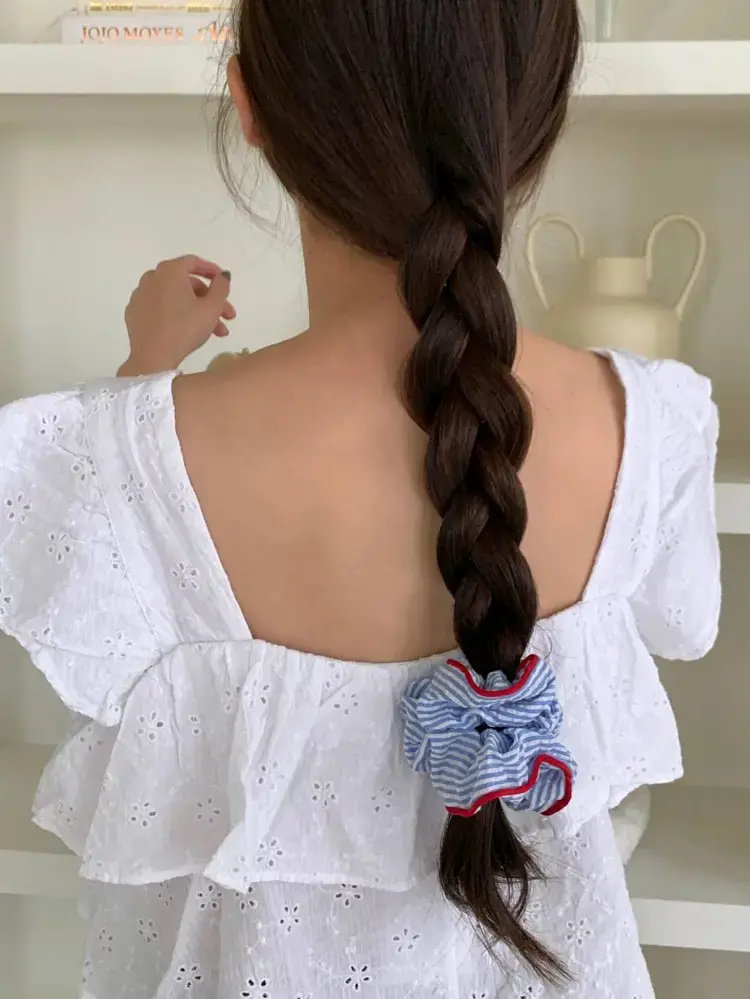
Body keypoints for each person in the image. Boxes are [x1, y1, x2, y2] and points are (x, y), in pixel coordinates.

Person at [0, 2, 720, 997]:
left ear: (249, 103)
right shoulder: (653, 423)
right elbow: (682, 623)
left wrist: (144, 378)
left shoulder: (97, 455)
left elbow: (97, 676)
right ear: (539, 116)